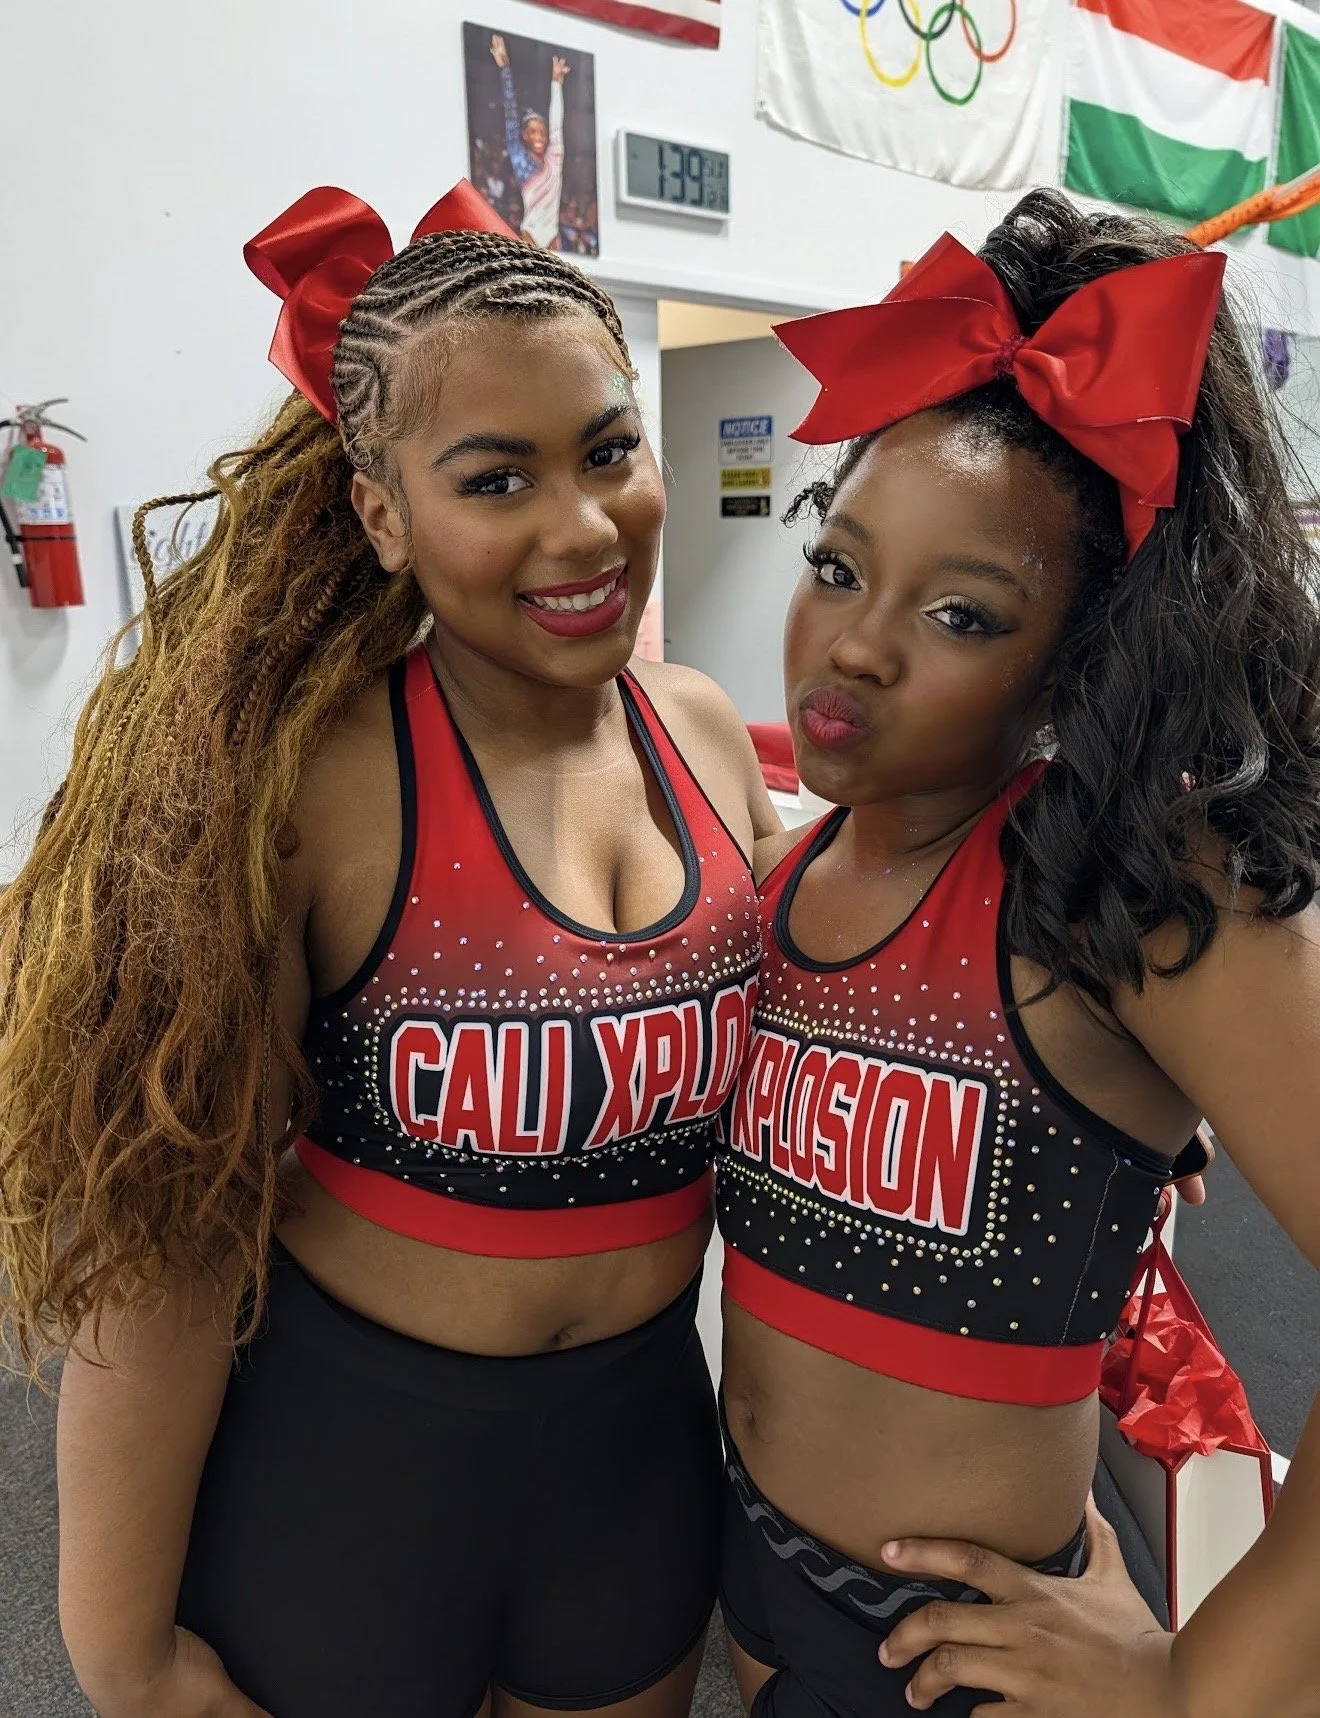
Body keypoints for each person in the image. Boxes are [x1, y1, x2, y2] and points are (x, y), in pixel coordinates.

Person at [0, 181, 778, 1718]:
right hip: (358, 1478)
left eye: (609, 450)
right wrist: (122, 1646)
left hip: (637, 1460)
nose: (582, 524)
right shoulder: (314, 790)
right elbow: (166, 1239)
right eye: (496, 480)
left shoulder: (700, 734)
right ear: (380, 511)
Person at [716, 188, 1320, 1717]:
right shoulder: (789, 869)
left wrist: (1200, 1683)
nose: (855, 645)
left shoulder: (1121, 890)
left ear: (1079, 656)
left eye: (964, 614)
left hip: (977, 1655)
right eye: (841, 567)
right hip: (742, 1570)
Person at [491, 33, 568, 250]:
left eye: (542, 132)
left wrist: (556, 84)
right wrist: (505, 69)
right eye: (532, 132)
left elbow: (557, 122)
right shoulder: (521, 162)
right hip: (530, 232)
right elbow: (511, 117)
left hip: (552, 234)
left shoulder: (555, 158)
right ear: (524, 135)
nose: (538, 137)